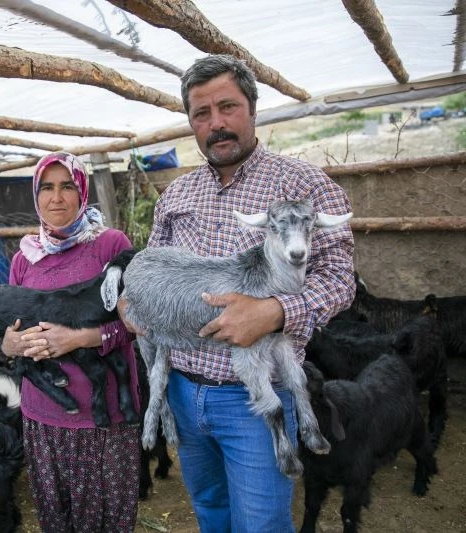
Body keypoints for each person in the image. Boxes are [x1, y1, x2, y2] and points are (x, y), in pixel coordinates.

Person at [122, 55, 355, 532]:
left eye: (227, 106)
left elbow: (339, 281)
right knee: (211, 513)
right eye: (201, 114)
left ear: (252, 107)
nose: (216, 123)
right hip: (186, 393)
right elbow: (154, 265)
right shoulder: (176, 195)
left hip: (254, 396)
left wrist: (273, 311)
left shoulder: (305, 186)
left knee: (262, 523)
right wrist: (130, 302)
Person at [0, 151, 142, 532]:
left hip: (103, 417)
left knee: (104, 521)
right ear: (35, 194)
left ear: (82, 193)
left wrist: (78, 338)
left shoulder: (110, 245)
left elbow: (138, 324)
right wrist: (11, 345)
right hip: (42, 415)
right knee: (56, 518)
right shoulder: (24, 258)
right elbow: (7, 330)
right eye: (47, 187)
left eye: (66, 187)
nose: (56, 198)